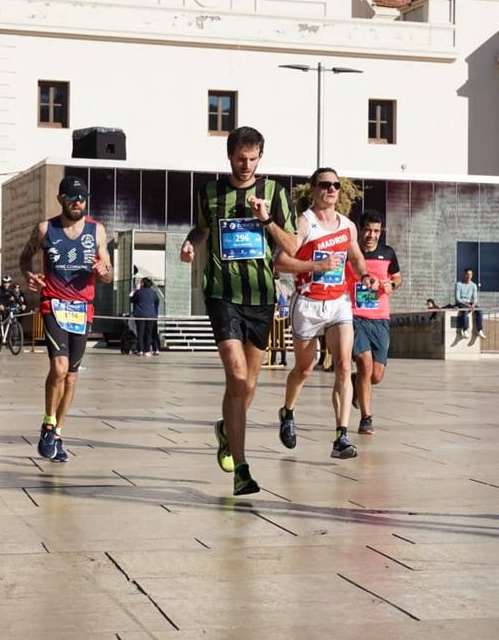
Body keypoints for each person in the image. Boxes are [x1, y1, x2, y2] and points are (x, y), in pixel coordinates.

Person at [181, 126, 298, 495]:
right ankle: (242, 469)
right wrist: (189, 243)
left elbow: (292, 246)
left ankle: (225, 430)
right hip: (222, 294)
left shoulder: (275, 193)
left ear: (260, 157)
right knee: (236, 377)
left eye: (252, 159)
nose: (246, 165)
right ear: (229, 156)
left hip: (261, 297)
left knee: (249, 383)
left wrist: (265, 219)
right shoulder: (210, 193)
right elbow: (201, 230)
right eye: (239, 158)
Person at [275, 168, 378, 459]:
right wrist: (317, 267)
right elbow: (281, 262)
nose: (330, 190)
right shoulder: (304, 223)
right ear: (313, 189)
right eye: (324, 185)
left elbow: (357, 260)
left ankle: (341, 436)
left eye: (335, 185)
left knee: (345, 366)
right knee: (304, 369)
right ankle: (288, 411)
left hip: (338, 303)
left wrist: (365, 276)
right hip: (307, 304)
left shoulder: (347, 226)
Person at [19, 175, 113, 461]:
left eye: (82, 197)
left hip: (83, 308)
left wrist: (103, 271)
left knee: (71, 377)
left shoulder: (97, 231)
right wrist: (30, 276)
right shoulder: (46, 229)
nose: (77, 202)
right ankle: (48, 422)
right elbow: (25, 257)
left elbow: (109, 273)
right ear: (60, 199)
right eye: (72, 198)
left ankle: (57, 432)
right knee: (58, 368)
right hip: (53, 305)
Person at [347, 210, 402, 435]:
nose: (372, 235)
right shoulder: (351, 252)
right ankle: (366, 419)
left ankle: (357, 383)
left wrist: (392, 285)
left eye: (376, 231)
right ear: (360, 229)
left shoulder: (388, 253)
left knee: (376, 376)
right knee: (364, 362)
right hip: (353, 316)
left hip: (380, 318)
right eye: (368, 230)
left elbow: (398, 277)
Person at [130, 276, 162, 356]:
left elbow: (131, 299)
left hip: (140, 315)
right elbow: (157, 302)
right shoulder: (153, 292)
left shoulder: (138, 292)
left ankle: (140, 350)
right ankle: (147, 351)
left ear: (143, 284)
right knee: (149, 333)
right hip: (151, 316)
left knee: (140, 333)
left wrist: (135, 290)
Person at [453, 268, 485, 339]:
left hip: (470, 303)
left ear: (472, 276)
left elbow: (475, 298)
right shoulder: (458, 284)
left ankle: (479, 330)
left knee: (479, 310)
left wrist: (473, 305)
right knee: (465, 310)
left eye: (470, 274)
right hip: (461, 302)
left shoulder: (474, 285)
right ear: (464, 275)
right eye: (467, 274)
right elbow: (458, 298)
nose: (468, 276)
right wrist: (468, 305)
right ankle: (465, 329)